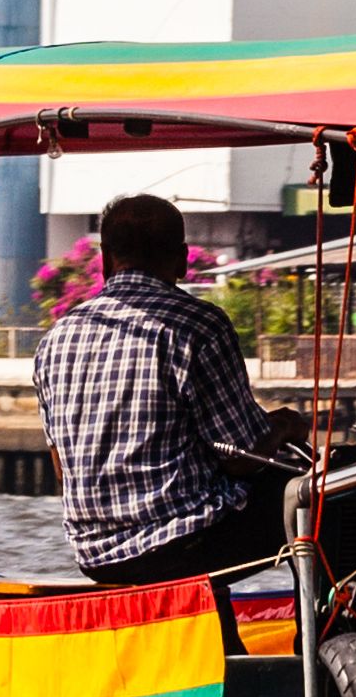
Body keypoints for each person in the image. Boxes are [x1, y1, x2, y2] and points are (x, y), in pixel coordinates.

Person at [32, 193, 292, 586]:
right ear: (183, 258)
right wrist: (288, 425)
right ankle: (320, 637)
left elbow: (61, 469)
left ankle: (221, 636)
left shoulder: (56, 339)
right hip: (180, 544)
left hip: (95, 554)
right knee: (325, 506)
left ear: (105, 259)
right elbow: (241, 457)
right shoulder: (199, 325)